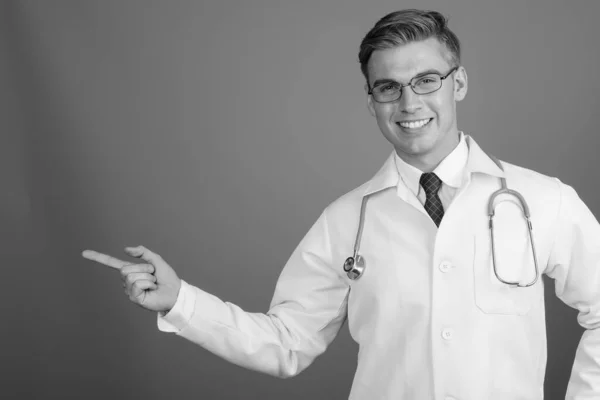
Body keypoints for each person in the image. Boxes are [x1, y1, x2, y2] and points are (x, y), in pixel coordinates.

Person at [82, 9, 600, 399]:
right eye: (388, 87)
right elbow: (287, 342)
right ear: (371, 102)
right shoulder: (346, 221)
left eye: (426, 80)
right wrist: (180, 301)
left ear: (458, 83)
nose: (409, 103)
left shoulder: (541, 200)